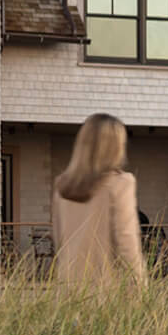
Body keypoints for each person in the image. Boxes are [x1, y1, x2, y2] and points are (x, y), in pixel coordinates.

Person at [50, 112, 147, 285]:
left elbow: (59, 243)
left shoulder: (62, 187)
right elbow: (127, 242)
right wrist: (140, 289)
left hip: (68, 288)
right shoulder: (121, 183)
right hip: (107, 291)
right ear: (117, 146)